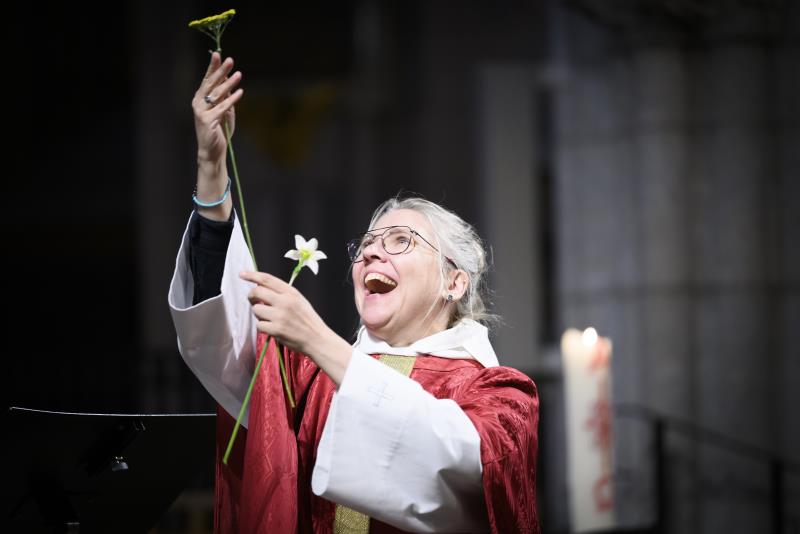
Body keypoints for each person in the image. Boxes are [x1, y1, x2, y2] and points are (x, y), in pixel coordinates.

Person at [168, 52, 540, 533]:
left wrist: (319, 340)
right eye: (365, 245)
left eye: (401, 242)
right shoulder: (307, 379)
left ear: (454, 280)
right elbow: (221, 332)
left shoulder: (501, 395)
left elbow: (455, 458)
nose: (371, 255)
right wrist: (211, 166)